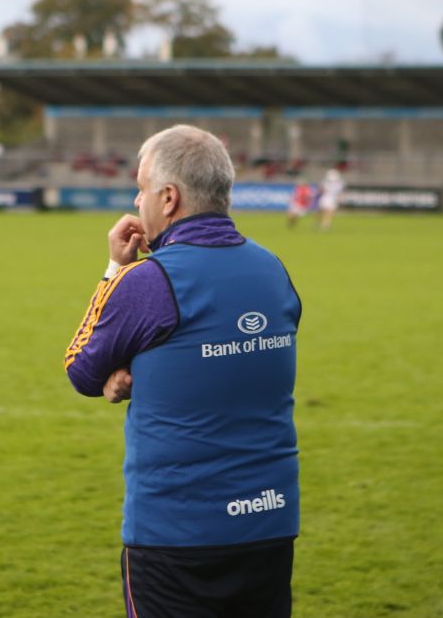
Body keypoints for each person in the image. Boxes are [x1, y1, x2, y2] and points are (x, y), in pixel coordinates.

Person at [63, 124, 302, 618]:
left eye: (142, 188)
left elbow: (83, 370)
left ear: (168, 198)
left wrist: (114, 271)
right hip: (270, 521)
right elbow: (222, 351)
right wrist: (151, 364)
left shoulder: (150, 280)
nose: (137, 199)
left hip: (178, 533)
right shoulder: (273, 268)